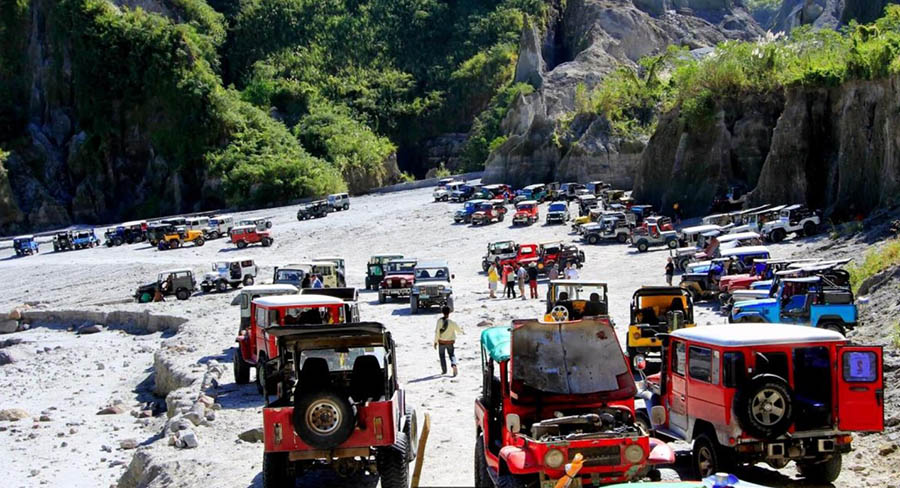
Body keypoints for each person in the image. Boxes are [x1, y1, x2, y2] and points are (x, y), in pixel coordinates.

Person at [433, 306, 463, 376]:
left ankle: (444, 371)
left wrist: (435, 342)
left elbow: (437, 332)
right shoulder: (452, 322)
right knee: (451, 354)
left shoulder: (439, 321)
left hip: (441, 341)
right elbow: (458, 330)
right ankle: (454, 365)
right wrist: (462, 331)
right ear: (449, 312)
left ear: (442, 312)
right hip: (450, 342)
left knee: (442, 356)